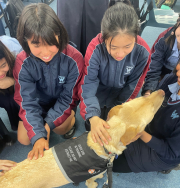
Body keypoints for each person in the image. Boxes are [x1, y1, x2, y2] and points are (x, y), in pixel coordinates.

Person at [13, 3, 84, 160]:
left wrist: (48, 125)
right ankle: (44, 126)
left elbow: (69, 98)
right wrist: (38, 135)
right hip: (38, 105)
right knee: (24, 139)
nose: (45, 53)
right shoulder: (22, 62)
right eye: (36, 45)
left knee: (60, 128)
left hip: (62, 104)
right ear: (26, 42)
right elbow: (26, 101)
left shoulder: (74, 59)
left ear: (59, 34)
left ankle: (71, 120)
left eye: (51, 43)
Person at [79, 0, 151, 146]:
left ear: (136, 37)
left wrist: (120, 109)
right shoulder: (95, 48)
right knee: (91, 125)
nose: (120, 54)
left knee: (115, 129)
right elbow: (88, 83)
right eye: (113, 47)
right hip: (98, 93)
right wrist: (92, 116)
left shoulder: (143, 52)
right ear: (104, 38)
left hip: (120, 95)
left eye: (127, 46)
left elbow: (133, 85)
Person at [112, 59, 180, 173]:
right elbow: (152, 100)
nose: (178, 72)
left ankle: (167, 166)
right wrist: (132, 107)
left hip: (164, 152)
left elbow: (170, 152)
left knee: (113, 164)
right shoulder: (174, 78)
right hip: (151, 126)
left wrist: (140, 133)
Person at [142, 15, 180, 96]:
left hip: (176, 77)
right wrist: (149, 91)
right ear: (178, 22)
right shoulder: (164, 38)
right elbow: (153, 66)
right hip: (160, 73)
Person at [0, 36, 22, 146]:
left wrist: (14, 81)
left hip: (15, 80)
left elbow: (29, 77)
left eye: (3, 65)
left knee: (15, 98)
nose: (0, 73)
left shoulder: (14, 49)